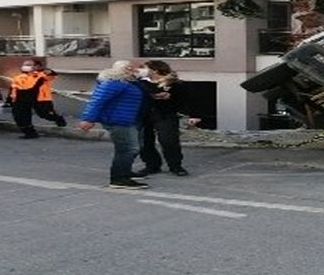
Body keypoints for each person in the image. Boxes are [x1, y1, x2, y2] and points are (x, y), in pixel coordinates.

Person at [78, 60, 148, 190]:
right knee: (128, 149)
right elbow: (97, 100)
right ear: (118, 70)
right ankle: (119, 179)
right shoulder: (114, 82)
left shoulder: (130, 82)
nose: (133, 70)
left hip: (129, 119)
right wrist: (88, 119)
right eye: (128, 68)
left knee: (129, 148)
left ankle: (124, 171)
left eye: (133, 68)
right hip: (118, 120)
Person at [135, 60, 200, 177]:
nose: (141, 70)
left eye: (144, 68)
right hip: (144, 115)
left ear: (154, 70)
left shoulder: (175, 83)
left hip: (165, 115)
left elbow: (186, 100)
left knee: (168, 141)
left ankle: (176, 166)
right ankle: (152, 165)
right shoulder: (140, 82)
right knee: (144, 142)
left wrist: (192, 115)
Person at [9, 59, 45, 139]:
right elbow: (13, 88)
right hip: (17, 100)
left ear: (36, 66)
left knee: (24, 116)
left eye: (29, 65)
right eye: (25, 64)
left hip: (27, 100)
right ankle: (29, 132)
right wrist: (10, 99)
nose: (26, 66)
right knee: (19, 117)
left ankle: (30, 132)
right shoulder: (20, 76)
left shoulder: (39, 76)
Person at [33, 60, 67, 127]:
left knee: (48, 113)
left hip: (44, 98)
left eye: (34, 65)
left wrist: (46, 71)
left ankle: (60, 121)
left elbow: (53, 75)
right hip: (34, 98)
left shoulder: (44, 73)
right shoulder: (31, 75)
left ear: (38, 66)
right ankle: (59, 120)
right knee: (42, 115)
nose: (33, 67)